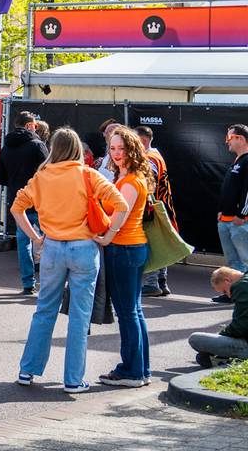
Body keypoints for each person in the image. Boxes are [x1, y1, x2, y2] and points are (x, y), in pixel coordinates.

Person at [10, 127, 127, 393]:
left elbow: (17, 208)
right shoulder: (88, 175)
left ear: (53, 148)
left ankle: (27, 371)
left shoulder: (42, 176)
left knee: (44, 310)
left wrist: (36, 237)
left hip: (51, 247)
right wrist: (108, 236)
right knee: (79, 315)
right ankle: (73, 380)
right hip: (84, 249)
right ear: (77, 149)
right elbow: (121, 204)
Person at [96, 126, 153, 387]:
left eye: (121, 148)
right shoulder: (128, 177)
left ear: (132, 149)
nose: (117, 153)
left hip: (124, 249)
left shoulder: (130, 181)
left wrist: (107, 238)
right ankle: (140, 369)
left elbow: (121, 214)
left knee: (128, 313)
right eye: (113, 148)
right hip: (130, 248)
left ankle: (132, 371)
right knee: (134, 312)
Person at [0, 111, 50, 294]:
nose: (36, 128)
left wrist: (16, 182)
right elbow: (49, 174)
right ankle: (49, 283)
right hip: (41, 201)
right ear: (29, 126)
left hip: (18, 201)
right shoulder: (38, 145)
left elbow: (0, 177)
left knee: (23, 242)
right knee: (49, 241)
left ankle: (28, 283)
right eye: (35, 125)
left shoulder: (6, 147)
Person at [135, 126, 173, 297]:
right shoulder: (157, 155)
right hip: (161, 206)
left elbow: (149, 182)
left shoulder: (149, 158)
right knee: (159, 243)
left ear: (142, 141)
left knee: (151, 245)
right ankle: (161, 281)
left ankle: (152, 283)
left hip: (151, 208)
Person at [214, 124, 248, 303]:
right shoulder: (238, 161)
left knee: (245, 261)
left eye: (229, 138)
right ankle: (234, 293)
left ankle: (244, 296)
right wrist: (222, 212)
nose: (226, 142)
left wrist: (242, 215)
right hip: (226, 220)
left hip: (240, 222)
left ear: (240, 139)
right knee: (233, 263)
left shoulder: (247, 160)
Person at [190, 267, 248, 366]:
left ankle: (233, 361)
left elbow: (240, 326)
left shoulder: (241, 287)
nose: (229, 296)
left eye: (225, 291)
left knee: (195, 339)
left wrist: (222, 334)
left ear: (227, 280)